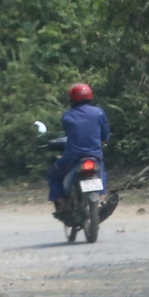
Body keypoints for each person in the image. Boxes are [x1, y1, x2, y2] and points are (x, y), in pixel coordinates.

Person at [50, 81, 109, 216]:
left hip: (73, 155)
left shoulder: (68, 115)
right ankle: (102, 198)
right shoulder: (99, 113)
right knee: (102, 171)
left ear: (72, 98)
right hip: (94, 154)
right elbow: (105, 133)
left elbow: (69, 134)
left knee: (54, 176)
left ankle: (61, 203)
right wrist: (103, 141)